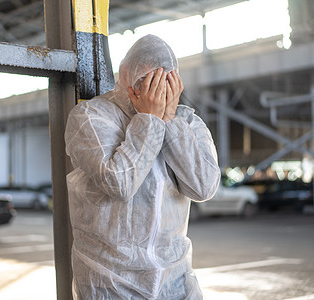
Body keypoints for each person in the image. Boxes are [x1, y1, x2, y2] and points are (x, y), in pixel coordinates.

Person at [65, 34, 220, 299]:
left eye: (165, 83)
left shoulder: (188, 124)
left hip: (175, 278)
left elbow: (204, 187)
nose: (157, 93)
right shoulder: (91, 117)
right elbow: (120, 183)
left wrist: (170, 122)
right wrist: (149, 120)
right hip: (110, 280)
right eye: (147, 83)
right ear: (125, 79)